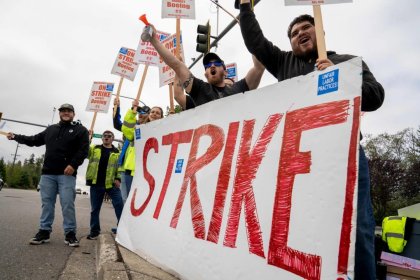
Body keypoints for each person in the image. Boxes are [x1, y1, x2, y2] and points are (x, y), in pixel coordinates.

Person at [238, 2, 385, 278]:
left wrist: (340, 79)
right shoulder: (284, 63)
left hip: (346, 157)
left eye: (307, 28)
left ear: (321, 32)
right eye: (294, 33)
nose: (300, 33)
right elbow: (255, 42)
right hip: (298, 162)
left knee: (359, 229)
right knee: (300, 230)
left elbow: (376, 96)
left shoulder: (348, 62)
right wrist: (245, 7)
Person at [7, 103, 89, 247]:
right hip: (48, 174)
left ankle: (70, 234)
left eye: (68, 111)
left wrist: (73, 165)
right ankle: (44, 231)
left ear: (73, 114)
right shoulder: (51, 129)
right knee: (47, 204)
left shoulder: (80, 130)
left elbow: (83, 150)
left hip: (67, 175)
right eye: (63, 111)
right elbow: (33, 140)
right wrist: (15, 136)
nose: (65, 113)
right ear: (59, 114)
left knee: (67, 204)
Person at [145, 27, 265, 110]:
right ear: (206, 74)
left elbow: (259, 67)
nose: (212, 66)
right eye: (207, 66)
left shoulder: (239, 88)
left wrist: (247, 29)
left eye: (217, 63)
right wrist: (153, 39)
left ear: (225, 71)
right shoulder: (200, 89)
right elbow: (177, 65)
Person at [85, 130, 123, 239]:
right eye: (104, 136)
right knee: (95, 209)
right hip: (96, 183)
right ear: (102, 138)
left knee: (119, 205)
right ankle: (95, 231)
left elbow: (120, 167)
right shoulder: (95, 148)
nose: (106, 137)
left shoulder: (117, 152)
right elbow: (85, 153)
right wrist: (88, 140)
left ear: (113, 138)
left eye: (109, 136)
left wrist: (118, 178)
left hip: (111, 184)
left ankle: (122, 229)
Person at [121, 101, 163, 198]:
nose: (154, 114)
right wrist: (133, 111)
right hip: (132, 171)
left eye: (157, 113)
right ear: (149, 115)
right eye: (152, 112)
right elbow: (127, 129)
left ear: (161, 117)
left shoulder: (165, 130)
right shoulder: (139, 128)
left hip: (151, 173)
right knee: (127, 201)